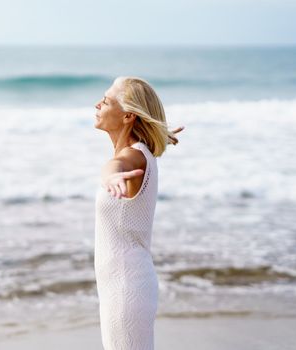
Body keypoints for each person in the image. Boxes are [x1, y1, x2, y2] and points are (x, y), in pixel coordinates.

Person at [94, 76, 183, 349]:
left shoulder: (132, 157)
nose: (98, 104)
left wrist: (110, 177)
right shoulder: (142, 152)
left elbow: (116, 165)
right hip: (124, 284)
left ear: (128, 116)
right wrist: (161, 134)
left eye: (107, 101)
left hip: (125, 288)